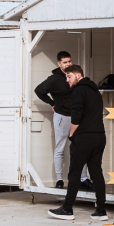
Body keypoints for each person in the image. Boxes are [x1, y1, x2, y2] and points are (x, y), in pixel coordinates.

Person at [49, 64, 108, 221]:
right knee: (96, 172)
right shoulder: (95, 91)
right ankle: (101, 210)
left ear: (78, 76)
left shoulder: (78, 91)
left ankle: (67, 209)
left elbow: (76, 116)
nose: (67, 80)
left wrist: (71, 134)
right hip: (99, 136)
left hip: (84, 137)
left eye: (69, 77)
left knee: (74, 173)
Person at [35, 51, 88, 189]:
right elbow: (38, 90)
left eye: (69, 61)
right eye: (65, 62)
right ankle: (59, 180)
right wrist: (52, 103)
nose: (68, 64)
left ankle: (83, 179)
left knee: (81, 148)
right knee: (60, 148)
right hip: (62, 116)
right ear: (59, 64)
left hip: (78, 117)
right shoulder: (54, 79)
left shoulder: (76, 75)